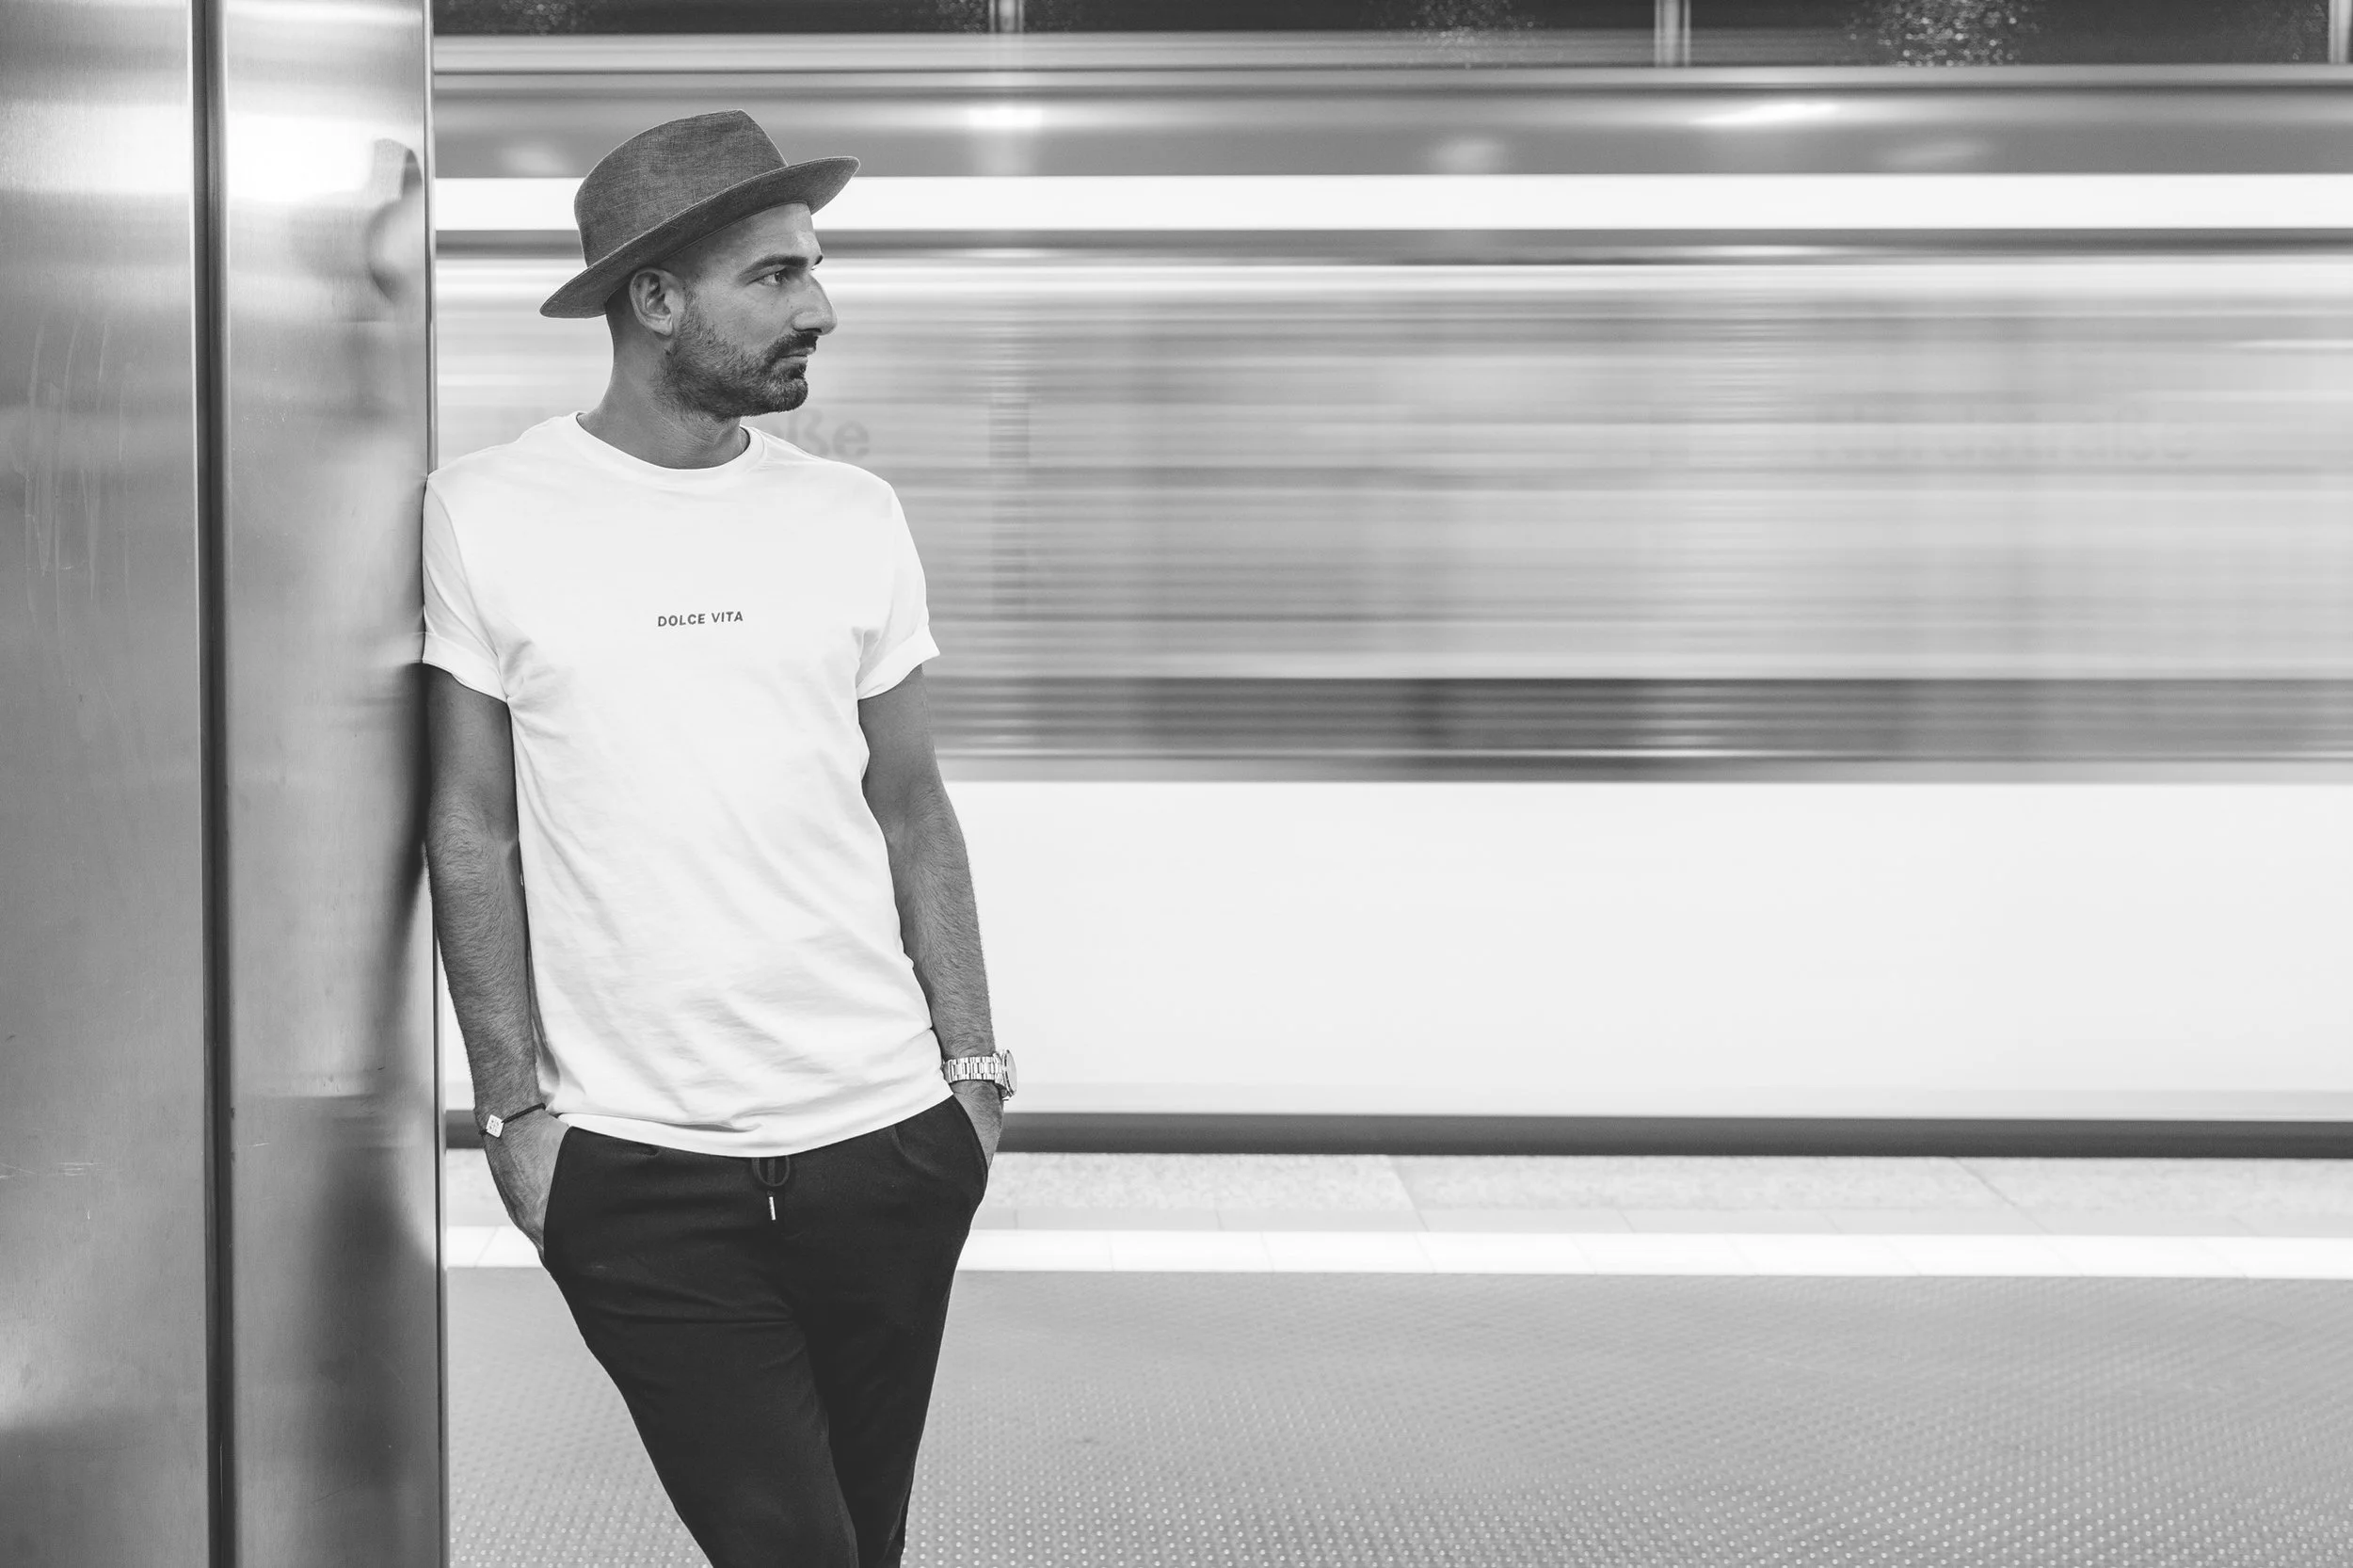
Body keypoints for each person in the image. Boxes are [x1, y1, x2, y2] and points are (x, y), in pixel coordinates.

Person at [420, 110, 1013, 1568]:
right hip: (632, 1161)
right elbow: (470, 825)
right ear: (656, 299)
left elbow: (913, 805)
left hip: (884, 1141)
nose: (818, 305)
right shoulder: (484, 513)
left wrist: (971, 1080)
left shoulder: (852, 514)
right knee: (788, 1543)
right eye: (774, 275)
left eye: (813, 267)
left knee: (859, 1540)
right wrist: (515, 1117)